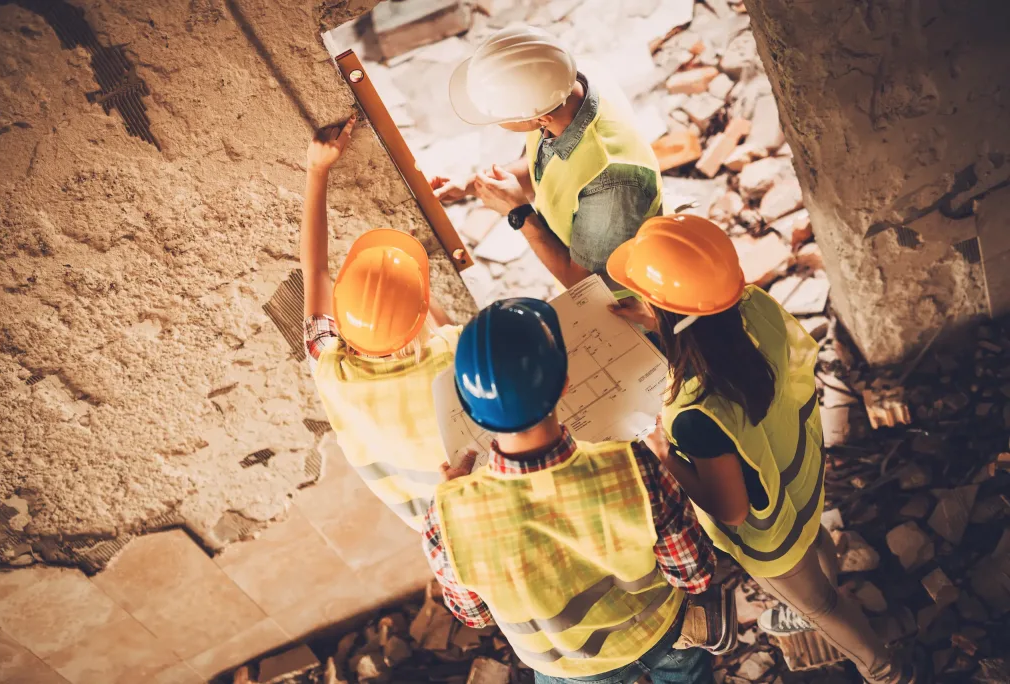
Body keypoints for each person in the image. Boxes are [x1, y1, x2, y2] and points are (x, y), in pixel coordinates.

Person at [606, 215, 918, 684]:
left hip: (771, 536)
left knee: (820, 605)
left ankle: (886, 672)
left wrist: (662, 451)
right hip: (801, 478)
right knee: (814, 540)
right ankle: (828, 590)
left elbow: (731, 511)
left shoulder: (698, 412)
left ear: (671, 314)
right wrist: (657, 318)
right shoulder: (753, 308)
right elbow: (705, 318)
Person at [421, 297, 725, 684]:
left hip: (565, 668)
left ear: (466, 405)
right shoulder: (635, 468)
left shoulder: (445, 519)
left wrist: (452, 504)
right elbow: (694, 575)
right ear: (565, 383)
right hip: (662, 635)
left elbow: (476, 615)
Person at [300, 115, 462, 530]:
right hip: (480, 499)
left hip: (429, 521)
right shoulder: (453, 351)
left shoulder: (330, 364)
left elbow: (314, 270)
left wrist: (317, 170)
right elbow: (433, 321)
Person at [433, 25, 661, 296]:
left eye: (500, 117)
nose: (496, 123)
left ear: (540, 119)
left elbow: (586, 285)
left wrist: (518, 212)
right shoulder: (566, 85)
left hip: (627, 303)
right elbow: (542, 164)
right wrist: (470, 184)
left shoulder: (611, 180)